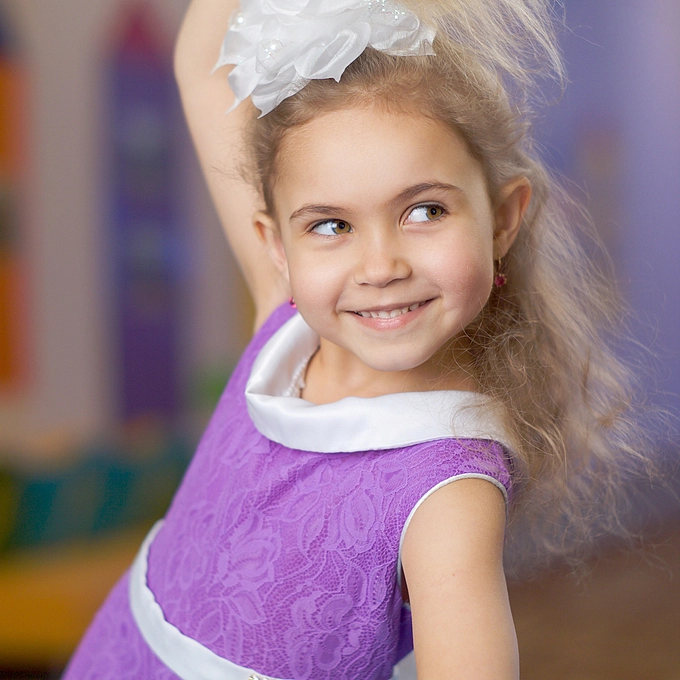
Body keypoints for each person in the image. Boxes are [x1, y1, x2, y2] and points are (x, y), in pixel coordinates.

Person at [63, 1, 653, 678]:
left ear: (501, 218)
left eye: (424, 210)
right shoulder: (285, 322)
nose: (380, 267)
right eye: (331, 226)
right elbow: (203, 63)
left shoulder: (448, 488)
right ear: (277, 246)